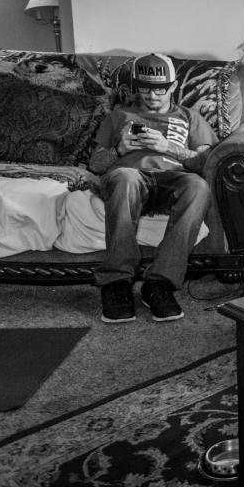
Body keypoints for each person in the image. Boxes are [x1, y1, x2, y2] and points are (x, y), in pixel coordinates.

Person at [89, 53, 217, 323]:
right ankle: (116, 282)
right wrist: (119, 148)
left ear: (172, 86)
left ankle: (158, 283)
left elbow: (207, 163)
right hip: (130, 176)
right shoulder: (119, 116)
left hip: (172, 179)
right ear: (136, 87)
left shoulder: (190, 117)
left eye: (159, 88)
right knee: (125, 177)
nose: (152, 95)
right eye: (145, 87)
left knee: (199, 186)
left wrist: (168, 147)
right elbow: (96, 164)